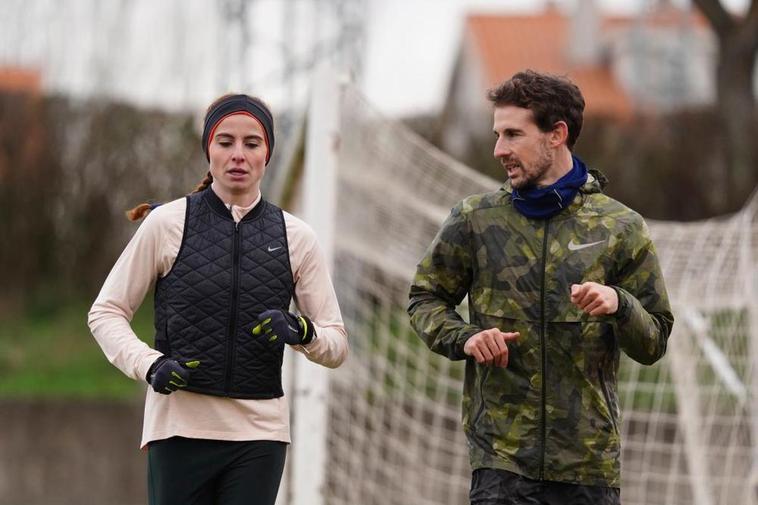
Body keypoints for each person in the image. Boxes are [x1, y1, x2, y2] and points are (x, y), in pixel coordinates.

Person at [408, 70, 673, 505]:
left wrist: (619, 304)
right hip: (501, 463)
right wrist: (468, 336)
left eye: (513, 134)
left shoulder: (622, 227)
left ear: (557, 134)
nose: (499, 150)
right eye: (497, 134)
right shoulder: (474, 219)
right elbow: (424, 300)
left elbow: (655, 341)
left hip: (588, 467)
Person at [88, 93, 348, 505]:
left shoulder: (297, 237)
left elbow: (337, 344)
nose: (238, 155)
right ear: (208, 149)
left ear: (268, 153)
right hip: (177, 432)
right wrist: (149, 363)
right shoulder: (166, 223)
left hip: (259, 437)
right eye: (225, 142)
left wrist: (302, 331)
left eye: (252, 143)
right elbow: (106, 313)